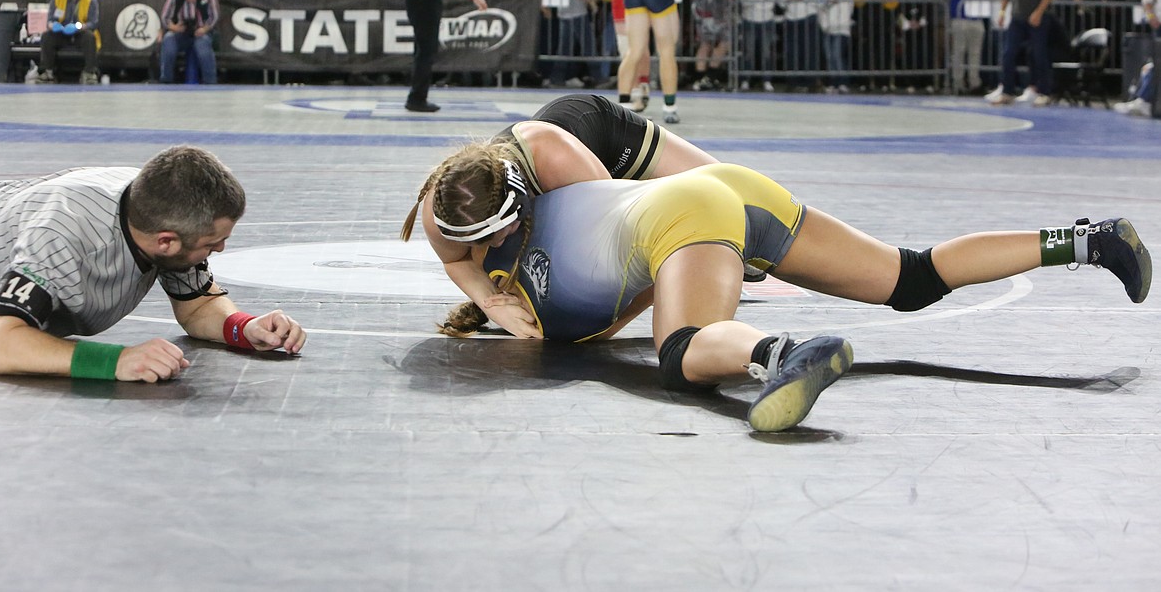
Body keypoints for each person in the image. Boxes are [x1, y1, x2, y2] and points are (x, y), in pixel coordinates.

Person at [405, 144, 1150, 432]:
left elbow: (614, 312)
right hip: (722, 185)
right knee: (911, 276)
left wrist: (508, 310)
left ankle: (781, 352)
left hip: (683, 214)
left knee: (682, 349)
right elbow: (601, 216)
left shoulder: (550, 304)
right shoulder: (507, 179)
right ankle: (1087, 239)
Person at [0, 146, 306, 383]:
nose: (221, 249)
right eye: (211, 244)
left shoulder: (159, 202)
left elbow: (196, 307)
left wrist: (244, 328)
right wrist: (115, 360)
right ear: (166, 241)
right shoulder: (58, 237)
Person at [987, 0, 1055, 106]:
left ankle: (1044, 92)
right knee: (1009, 53)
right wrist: (1002, 13)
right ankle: (1007, 90)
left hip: (1037, 18)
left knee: (1039, 55)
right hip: (1017, 17)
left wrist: (1038, 12)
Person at [36, 0, 101, 85]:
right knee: (47, 36)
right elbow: (50, 21)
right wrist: (54, 26)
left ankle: (89, 72)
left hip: (80, 33)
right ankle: (47, 71)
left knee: (90, 37)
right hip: (61, 33)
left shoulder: (91, 0)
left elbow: (93, 23)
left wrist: (77, 27)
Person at [158, 0, 219, 84]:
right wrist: (174, 27)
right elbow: (165, 17)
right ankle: (166, 78)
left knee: (203, 45)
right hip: (181, 31)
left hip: (201, 31)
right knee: (168, 40)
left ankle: (210, 80)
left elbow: (214, 16)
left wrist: (204, 29)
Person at [947, 0, 990, 95]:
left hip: (975, 17)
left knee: (975, 52)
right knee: (959, 51)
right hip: (960, 17)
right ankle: (957, 82)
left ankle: (974, 82)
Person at [778, 0, 825, 75]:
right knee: (791, 52)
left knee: (809, 51)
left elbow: (821, 0)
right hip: (791, 19)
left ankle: (810, 81)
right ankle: (793, 80)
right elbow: (781, 1)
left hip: (808, 18)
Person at [738, 0, 777, 91]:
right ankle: (745, 80)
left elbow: (770, 4)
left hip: (766, 21)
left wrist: (752, 1)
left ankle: (767, 80)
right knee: (748, 52)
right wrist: (759, 1)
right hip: (749, 21)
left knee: (766, 52)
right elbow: (743, 1)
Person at [818, 0, 853, 93]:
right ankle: (833, 83)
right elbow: (821, 10)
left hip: (841, 29)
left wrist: (841, 24)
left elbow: (847, 10)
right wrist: (824, 25)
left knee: (838, 56)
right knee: (829, 57)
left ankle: (843, 82)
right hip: (828, 29)